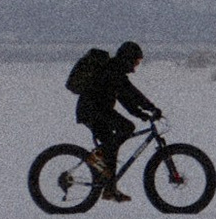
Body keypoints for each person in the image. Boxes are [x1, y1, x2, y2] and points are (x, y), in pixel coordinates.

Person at [66, 39, 161, 201]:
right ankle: (96, 158)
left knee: (111, 147)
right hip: (94, 110)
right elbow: (131, 94)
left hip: (93, 111)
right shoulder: (114, 70)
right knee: (126, 128)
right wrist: (150, 108)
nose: (136, 67)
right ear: (128, 58)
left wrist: (142, 113)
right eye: (136, 62)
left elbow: (127, 99)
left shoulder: (115, 70)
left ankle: (110, 188)